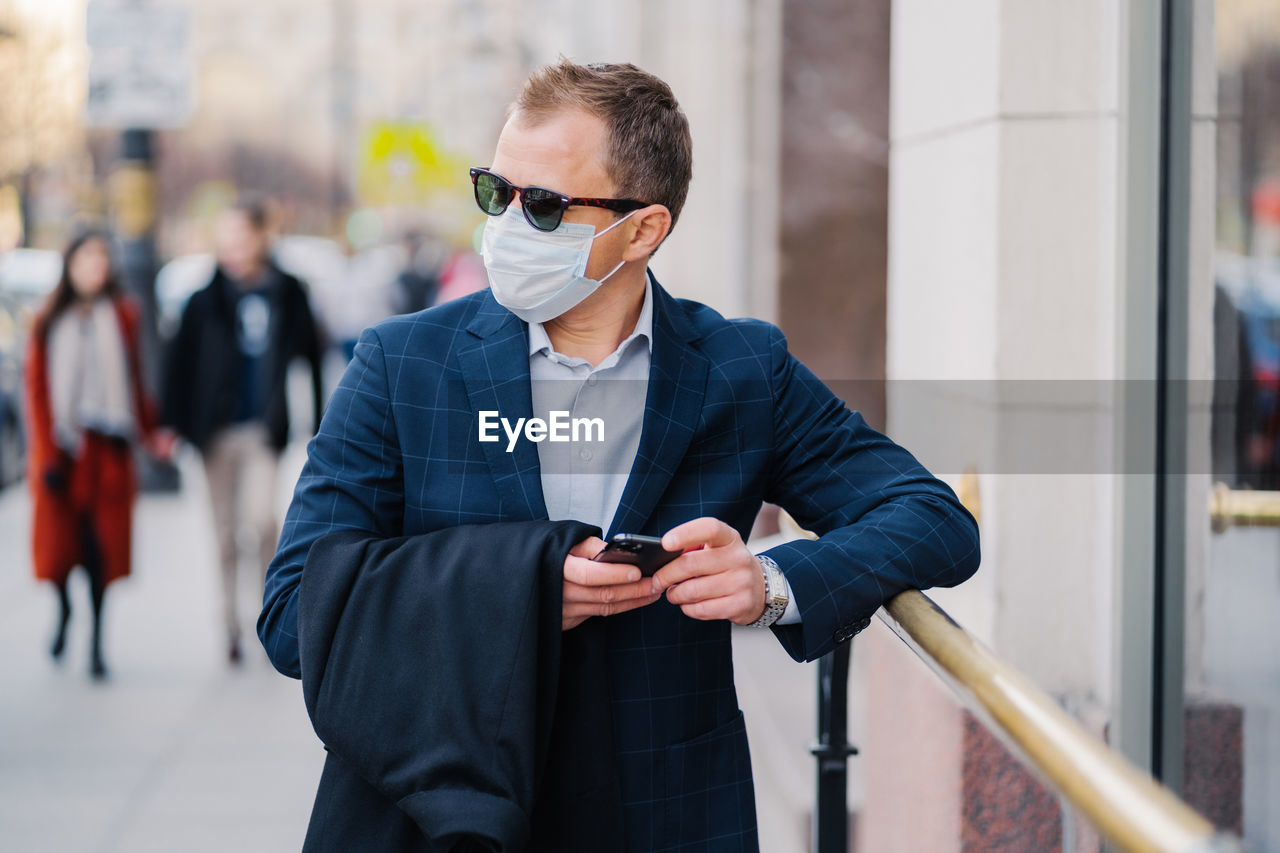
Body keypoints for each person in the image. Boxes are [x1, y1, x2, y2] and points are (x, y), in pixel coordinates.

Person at [259, 60, 980, 850]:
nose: (503, 224)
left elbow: (933, 517)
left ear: (643, 229)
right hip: (442, 810)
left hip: (666, 807)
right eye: (495, 191)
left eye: (540, 206)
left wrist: (769, 583)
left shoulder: (741, 368)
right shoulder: (401, 364)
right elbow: (294, 610)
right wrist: (521, 592)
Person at [163, 200, 324, 665]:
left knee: (262, 523)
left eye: (241, 237)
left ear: (260, 238)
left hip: (263, 431)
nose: (232, 248)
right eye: (225, 239)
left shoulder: (288, 291)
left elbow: (310, 356)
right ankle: (229, 624)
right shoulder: (203, 299)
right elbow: (178, 364)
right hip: (215, 434)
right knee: (225, 534)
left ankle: (265, 614)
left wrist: (317, 423)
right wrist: (171, 426)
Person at [25, 231, 167, 680]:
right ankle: (66, 612)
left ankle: (97, 643)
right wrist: (48, 456)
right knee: (60, 552)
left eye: (101, 260)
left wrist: (150, 432)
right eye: (86, 260)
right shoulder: (48, 319)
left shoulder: (123, 313)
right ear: (69, 266)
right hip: (64, 452)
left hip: (109, 449)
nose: (94, 269)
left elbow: (135, 377)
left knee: (100, 551)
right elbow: (37, 393)